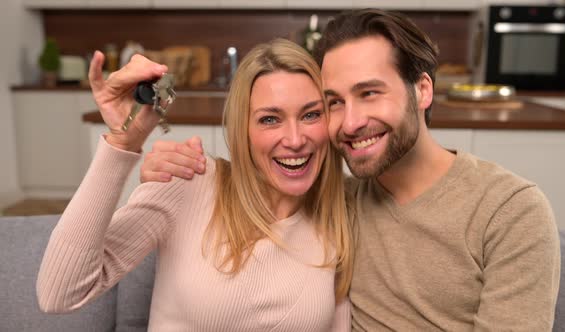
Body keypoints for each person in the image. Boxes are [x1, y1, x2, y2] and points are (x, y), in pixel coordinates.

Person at [141, 9, 561, 331]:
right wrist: (179, 169)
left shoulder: (509, 211)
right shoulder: (335, 201)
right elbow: (258, 186)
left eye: (370, 93)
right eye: (334, 102)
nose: (352, 121)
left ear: (423, 90)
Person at [37, 38, 354, 331]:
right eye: (270, 119)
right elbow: (60, 293)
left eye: (311, 115)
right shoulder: (189, 182)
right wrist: (123, 142)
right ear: (241, 130)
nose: (296, 140)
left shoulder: (339, 215)